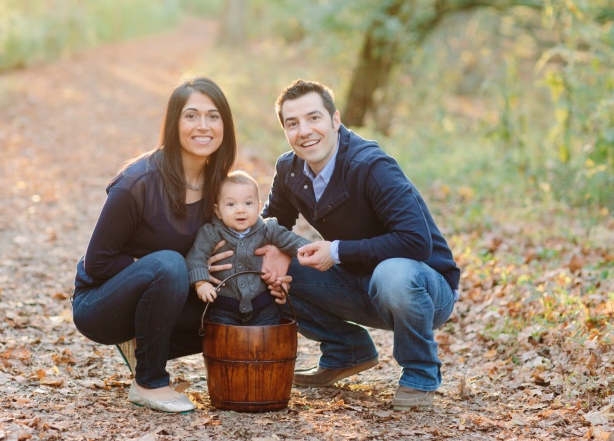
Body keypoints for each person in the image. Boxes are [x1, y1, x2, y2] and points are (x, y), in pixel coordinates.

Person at [259, 79, 460, 411]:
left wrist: (336, 251)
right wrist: (276, 251)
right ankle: (346, 351)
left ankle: (420, 375)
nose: (304, 131)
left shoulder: (371, 165)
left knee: (392, 273)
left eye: (314, 118)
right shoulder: (290, 169)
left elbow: (415, 242)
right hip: (357, 283)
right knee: (261, 266)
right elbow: (273, 220)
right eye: (292, 124)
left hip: (424, 288)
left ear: (335, 120)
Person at [71, 76, 237, 414]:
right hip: (101, 304)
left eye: (213, 115)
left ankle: (149, 344)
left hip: (167, 297)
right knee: (169, 264)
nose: (202, 125)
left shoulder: (219, 186)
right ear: (174, 123)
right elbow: (96, 264)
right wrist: (162, 269)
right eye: (191, 115)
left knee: (244, 296)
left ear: (225, 125)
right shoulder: (137, 183)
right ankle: (149, 382)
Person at [186, 170, 310, 326]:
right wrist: (201, 283)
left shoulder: (266, 229)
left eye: (248, 203)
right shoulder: (211, 233)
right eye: (231, 204)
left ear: (258, 207)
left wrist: (308, 249)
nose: (241, 210)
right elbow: (196, 257)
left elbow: (289, 240)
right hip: (224, 308)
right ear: (218, 210)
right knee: (227, 344)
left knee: (266, 341)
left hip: (263, 305)